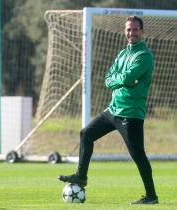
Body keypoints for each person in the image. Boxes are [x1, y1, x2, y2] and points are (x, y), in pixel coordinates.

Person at [58, 16, 158, 204]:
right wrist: (122, 80)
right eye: (129, 30)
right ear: (125, 31)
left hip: (131, 113)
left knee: (138, 155)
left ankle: (151, 196)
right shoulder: (122, 54)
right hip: (113, 110)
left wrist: (122, 80)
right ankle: (81, 176)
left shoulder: (144, 56)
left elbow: (127, 78)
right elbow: (108, 78)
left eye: (135, 29)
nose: (131, 33)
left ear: (142, 32)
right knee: (86, 134)